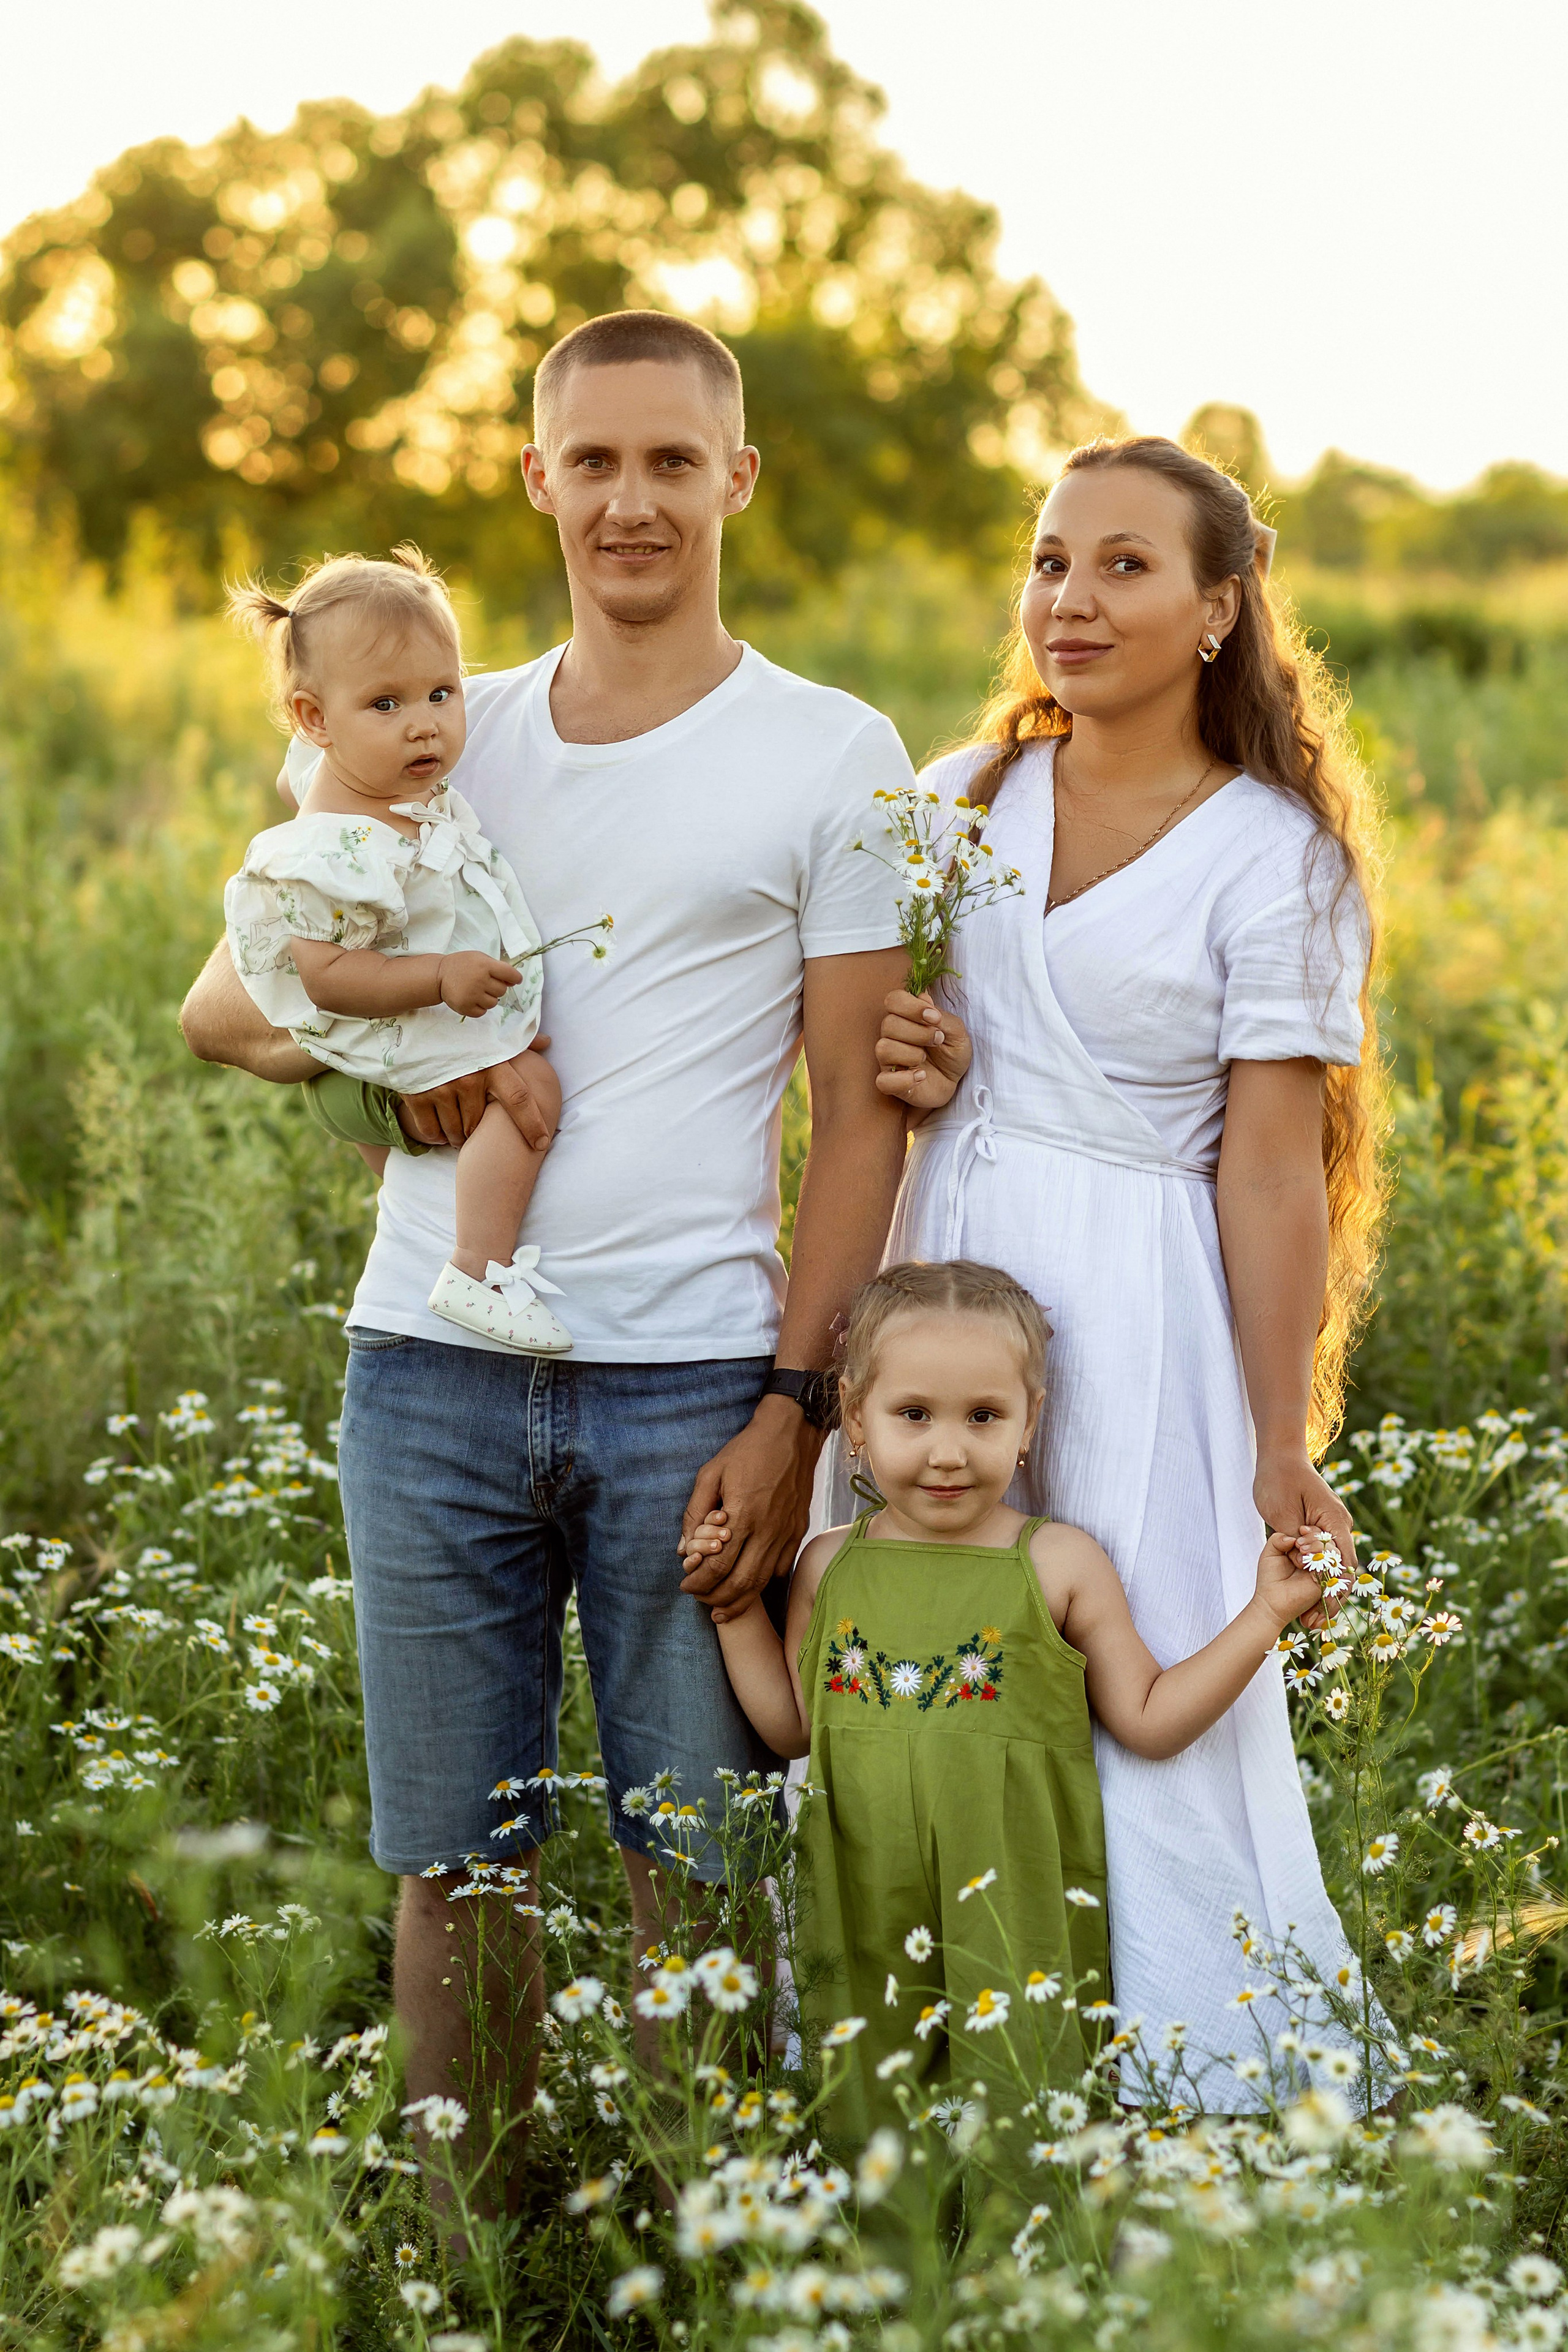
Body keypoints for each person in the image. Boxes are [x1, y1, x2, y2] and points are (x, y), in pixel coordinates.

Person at [179, 311, 913, 2199]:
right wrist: (396, 1062)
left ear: (736, 480)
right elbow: (235, 1000)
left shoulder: (833, 751)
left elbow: (861, 1110)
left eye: (673, 461)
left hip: (694, 1381)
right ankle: (471, 2261)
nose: (632, 500)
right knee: (451, 1855)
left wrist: (797, 1407)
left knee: (702, 1854)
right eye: (593, 460)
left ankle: (714, 2251)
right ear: (536, 479)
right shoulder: (436, 724)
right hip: (425, 1368)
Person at [858, 436, 1386, 2108]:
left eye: (1124, 566)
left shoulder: (1274, 856)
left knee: (1126, 1656)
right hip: (944, 1269)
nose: (1068, 599)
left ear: (1221, 610)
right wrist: (923, 1060)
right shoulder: (958, 797)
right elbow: (894, 1060)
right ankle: (921, 2061)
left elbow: (1274, 1167)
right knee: (926, 1645)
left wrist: (1277, 1431)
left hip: (1144, 1301)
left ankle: (1180, 2082)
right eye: (1048, 560)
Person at [685, 1260, 1336, 2135]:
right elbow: (792, 1727)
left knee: (1022, 2119)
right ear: (856, 1420)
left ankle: (1019, 2265)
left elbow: (1149, 1720)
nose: (948, 1450)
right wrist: (732, 1612)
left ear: (1030, 1424)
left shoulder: (1058, 1563)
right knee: (870, 2124)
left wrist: (1266, 1614)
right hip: (861, 1900)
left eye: (984, 1417)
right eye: (914, 1414)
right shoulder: (829, 1563)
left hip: (1016, 1912)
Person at [224, 546, 594, 1356]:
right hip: (366, 1022)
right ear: (315, 721)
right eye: (386, 704)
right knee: (530, 1089)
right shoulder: (335, 845)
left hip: (371, 1043)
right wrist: (439, 976)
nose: (425, 722)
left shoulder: (369, 780)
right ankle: (475, 1268)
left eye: (442, 692)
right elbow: (325, 977)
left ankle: (427, 1216)